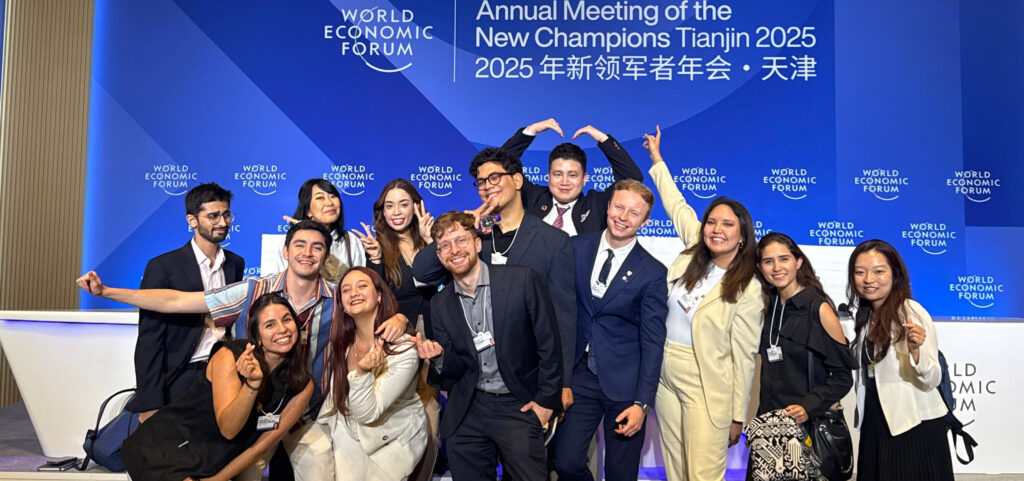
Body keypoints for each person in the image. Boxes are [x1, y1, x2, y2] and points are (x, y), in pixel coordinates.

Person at [76, 220, 408, 481]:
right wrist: (107, 292)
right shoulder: (253, 290)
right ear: (286, 251)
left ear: (326, 256)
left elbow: (375, 310)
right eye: (300, 245)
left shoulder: (339, 298)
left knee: (320, 468)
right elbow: (177, 301)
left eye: (317, 247)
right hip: (245, 416)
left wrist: (400, 318)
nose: (308, 253)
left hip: (306, 413)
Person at [412, 147, 576, 413]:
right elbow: (423, 272)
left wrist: (563, 382)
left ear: (518, 180)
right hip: (472, 382)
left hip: (527, 381)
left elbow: (564, 317)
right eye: (481, 182)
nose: (487, 186)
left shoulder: (553, 242)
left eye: (495, 178)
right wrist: (464, 224)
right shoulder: (471, 236)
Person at [645, 126, 764, 481]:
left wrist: (738, 415)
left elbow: (744, 357)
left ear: (742, 236)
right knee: (676, 469)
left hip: (706, 381)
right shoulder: (694, 249)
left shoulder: (748, 287)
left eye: (727, 224)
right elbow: (676, 204)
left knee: (702, 474)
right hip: (665, 374)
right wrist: (657, 160)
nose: (716, 229)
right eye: (712, 221)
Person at [412, 212, 562, 481]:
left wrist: (545, 401)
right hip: (470, 406)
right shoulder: (440, 304)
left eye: (461, 240)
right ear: (439, 256)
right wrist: (440, 358)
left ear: (478, 243)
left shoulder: (522, 280)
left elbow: (549, 344)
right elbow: (456, 369)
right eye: (445, 245)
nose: (454, 250)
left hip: (517, 402)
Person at [122, 292, 313, 481]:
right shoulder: (230, 356)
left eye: (287, 320)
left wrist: (216, 480)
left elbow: (259, 447)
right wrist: (252, 385)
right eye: (270, 325)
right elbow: (228, 429)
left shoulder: (302, 384)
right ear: (258, 336)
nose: (282, 329)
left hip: (209, 464)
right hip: (166, 447)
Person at [550, 179, 668, 481]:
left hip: (626, 385)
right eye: (619, 207)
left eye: (634, 213)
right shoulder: (575, 248)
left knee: (620, 473)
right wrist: (561, 379)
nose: (623, 217)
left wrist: (642, 403)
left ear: (645, 221)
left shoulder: (653, 272)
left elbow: (653, 342)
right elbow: (560, 313)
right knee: (565, 463)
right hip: (579, 378)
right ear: (608, 207)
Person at [129, 183, 245, 423]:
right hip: (182, 373)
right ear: (192, 220)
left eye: (226, 214)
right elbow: (150, 340)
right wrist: (150, 401)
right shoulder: (163, 267)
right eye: (213, 216)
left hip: (225, 369)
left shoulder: (235, 263)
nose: (222, 222)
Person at [350, 179, 441, 479]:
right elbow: (376, 298)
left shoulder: (432, 239)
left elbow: (448, 282)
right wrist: (375, 260)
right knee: (395, 419)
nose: (396, 212)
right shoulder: (377, 245)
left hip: (433, 339)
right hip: (396, 342)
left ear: (416, 207)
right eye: (389, 206)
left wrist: (431, 243)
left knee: (430, 419)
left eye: (403, 204)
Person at [748, 232, 855, 479]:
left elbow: (842, 377)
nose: (777, 267)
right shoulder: (766, 305)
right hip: (769, 427)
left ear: (798, 262)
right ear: (760, 267)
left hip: (805, 429)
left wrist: (808, 406)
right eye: (768, 261)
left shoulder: (819, 308)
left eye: (784, 259)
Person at [848, 239, 953, 481]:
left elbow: (933, 378)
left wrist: (916, 352)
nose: (868, 279)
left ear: (895, 274)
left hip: (912, 423)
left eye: (878, 271)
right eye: (860, 272)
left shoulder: (911, 311)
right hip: (876, 419)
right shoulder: (865, 316)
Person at [316, 267, 427, 481]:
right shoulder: (343, 343)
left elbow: (368, 413)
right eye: (346, 290)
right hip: (347, 433)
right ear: (342, 305)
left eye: (362, 286)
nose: (354, 293)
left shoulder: (403, 347)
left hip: (389, 441)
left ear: (379, 296)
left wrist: (362, 372)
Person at [500, 119, 644, 236]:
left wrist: (603, 140)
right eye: (558, 174)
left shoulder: (596, 205)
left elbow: (632, 178)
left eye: (572, 175)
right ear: (548, 177)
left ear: (585, 179)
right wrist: (530, 131)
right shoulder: (532, 197)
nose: (564, 182)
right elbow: (498, 166)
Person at [263, 179, 366, 283]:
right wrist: (307, 233)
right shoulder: (290, 242)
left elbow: (360, 281)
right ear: (308, 210)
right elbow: (278, 283)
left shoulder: (351, 240)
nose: (330, 203)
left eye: (333, 196)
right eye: (320, 198)